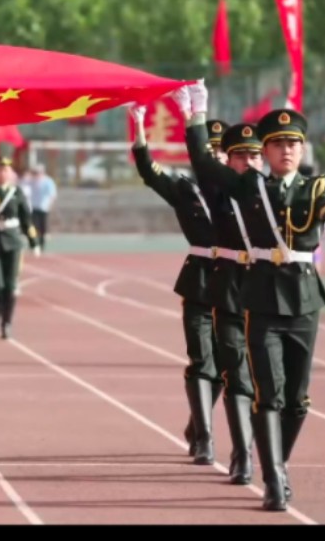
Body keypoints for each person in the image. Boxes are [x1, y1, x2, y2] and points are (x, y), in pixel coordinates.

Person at [181, 80, 325, 512]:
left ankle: (278, 461)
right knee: (266, 393)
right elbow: (203, 162)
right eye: (277, 144)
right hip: (260, 298)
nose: (286, 150)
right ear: (265, 152)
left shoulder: (317, 185)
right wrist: (197, 114)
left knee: (298, 399)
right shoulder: (249, 187)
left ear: (303, 149)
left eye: (293, 143)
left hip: (305, 296)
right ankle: (273, 479)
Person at [129, 105, 226, 467]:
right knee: (202, 360)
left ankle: (196, 421)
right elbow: (148, 172)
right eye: (209, 149)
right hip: (200, 278)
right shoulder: (184, 189)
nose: (213, 155)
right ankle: (204, 437)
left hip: (236, 282)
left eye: (219, 150)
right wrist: (139, 125)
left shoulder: (243, 190)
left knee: (226, 366)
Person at [203, 122, 266, 485]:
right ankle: (243, 454)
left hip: (268, 293)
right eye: (240, 155)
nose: (247, 161)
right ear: (227, 160)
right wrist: (195, 114)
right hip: (229, 289)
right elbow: (201, 162)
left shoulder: (278, 194)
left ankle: (267, 453)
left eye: (254, 154)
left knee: (269, 382)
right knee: (237, 375)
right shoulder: (216, 193)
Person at [0, 156, 39, 339]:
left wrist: (33, 242)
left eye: (6, 171)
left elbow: (26, 219)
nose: (3, 174)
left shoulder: (17, 193)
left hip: (13, 241)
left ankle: (7, 322)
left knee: (11, 286)